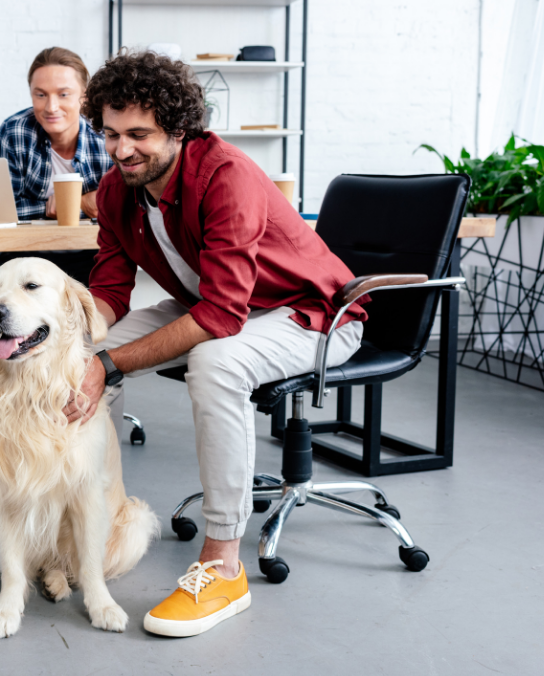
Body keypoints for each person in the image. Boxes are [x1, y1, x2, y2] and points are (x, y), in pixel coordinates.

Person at [65, 51, 368, 638]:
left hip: (311, 315)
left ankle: (223, 563)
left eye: (139, 135)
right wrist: (85, 351)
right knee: (71, 356)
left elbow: (221, 317)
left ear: (179, 129)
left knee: (215, 362)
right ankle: (85, 524)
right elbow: (108, 288)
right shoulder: (115, 189)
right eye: (110, 133)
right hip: (219, 302)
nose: (122, 149)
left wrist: (107, 363)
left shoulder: (225, 175)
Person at [0, 47, 112, 368]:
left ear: (84, 97)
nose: (51, 106)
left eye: (64, 94)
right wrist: (51, 206)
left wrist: (80, 202)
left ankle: (76, 400)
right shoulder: (14, 133)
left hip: (91, 254)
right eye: (40, 95)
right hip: (17, 255)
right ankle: (10, 400)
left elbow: (123, 202)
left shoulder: (107, 136)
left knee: (92, 322)